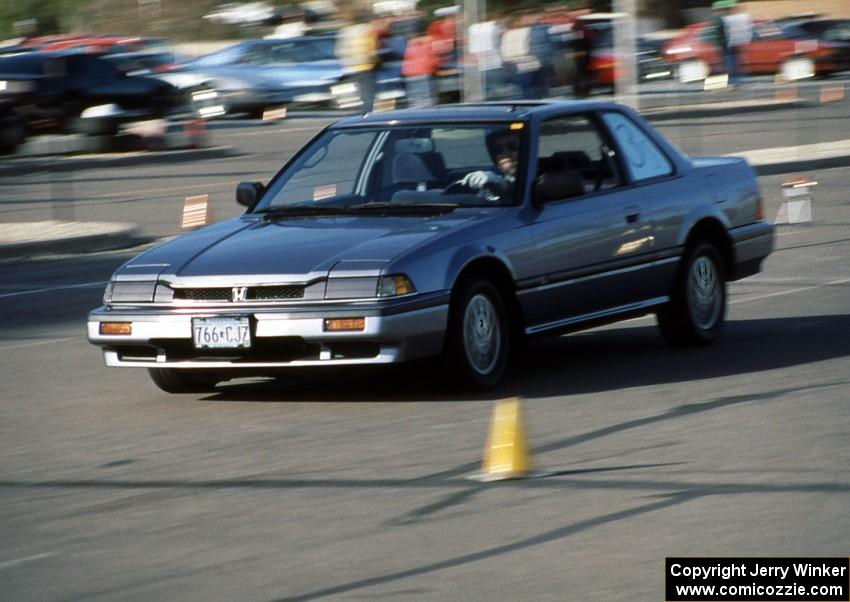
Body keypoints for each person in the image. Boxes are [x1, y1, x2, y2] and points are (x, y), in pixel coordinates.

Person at [336, 11, 379, 112]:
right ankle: (367, 114)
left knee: (359, 92)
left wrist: (345, 64)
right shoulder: (368, 30)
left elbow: (340, 50)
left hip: (352, 67)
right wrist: (377, 61)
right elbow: (373, 48)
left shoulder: (345, 31)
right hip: (367, 65)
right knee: (368, 93)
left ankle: (359, 113)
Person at [459, 129, 520, 200]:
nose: (506, 153)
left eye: (513, 146)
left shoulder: (534, 176)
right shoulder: (491, 183)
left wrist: (504, 186)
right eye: (498, 150)